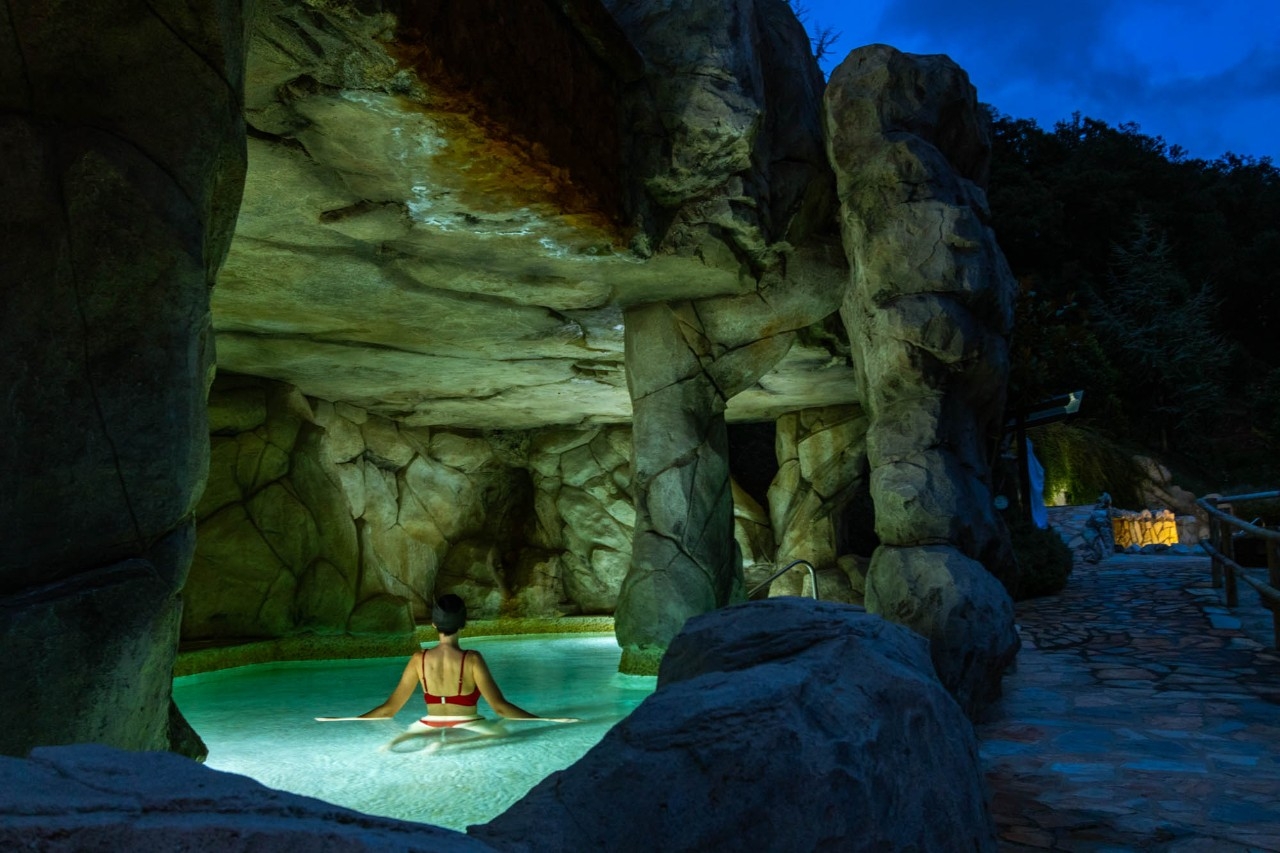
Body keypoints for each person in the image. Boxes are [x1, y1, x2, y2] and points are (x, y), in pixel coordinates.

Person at [319, 594, 576, 742]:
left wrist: (348, 718)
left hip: (428, 723)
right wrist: (547, 719)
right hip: (469, 724)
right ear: (464, 625)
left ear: (433, 625)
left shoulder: (418, 659)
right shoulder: (472, 660)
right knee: (508, 737)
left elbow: (389, 710)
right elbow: (500, 708)